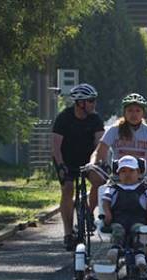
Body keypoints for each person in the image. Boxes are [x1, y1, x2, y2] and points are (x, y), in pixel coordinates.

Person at [51, 83, 105, 250]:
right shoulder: (64, 118)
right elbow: (55, 147)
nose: (94, 104)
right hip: (66, 160)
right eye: (90, 101)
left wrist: (99, 162)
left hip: (88, 161)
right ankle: (68, 233)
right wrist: (60, 166)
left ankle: (88, 212)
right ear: (80, 103)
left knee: (100, 181)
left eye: (94, 100)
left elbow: (99, 143)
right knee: (68, 189)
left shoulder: (95, 119)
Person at [91, 93, 147, 173]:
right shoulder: (114, 130)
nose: (134, 114)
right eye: (130, 110)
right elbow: (99, 151)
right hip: (118, 180)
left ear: (143, 113)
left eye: (138, 111)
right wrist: (92, 163)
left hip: (145, 180)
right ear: (124, 113)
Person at [102, 155, 147, 270]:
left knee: (139, 231)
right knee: (118, 229)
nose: (127, 174)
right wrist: (107, 214)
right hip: (118, 219)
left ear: (138, 172)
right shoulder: (113, 188)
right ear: (118, 173)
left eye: (131, 171)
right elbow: (106, 201)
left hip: (138, 219)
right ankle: (115, 249)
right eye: (123, 171)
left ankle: (140, 255)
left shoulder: (145, 188)